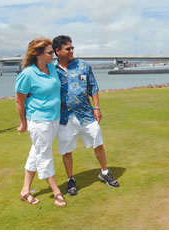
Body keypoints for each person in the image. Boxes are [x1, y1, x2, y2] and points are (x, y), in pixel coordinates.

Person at [52, 35, 120, 196]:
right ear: (57, 51)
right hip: (64, 117)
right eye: (68, 48)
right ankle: (71, 180)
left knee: (98, 143)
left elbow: (93, 87)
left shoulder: (83, 65)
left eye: (72, 47)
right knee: (66, 150)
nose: (72, 50)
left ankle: (104, 173)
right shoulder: (51, 70)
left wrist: (97, 107)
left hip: (87, 115)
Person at [15, 37, 66, 207]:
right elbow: (19, 101)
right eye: (50, 52)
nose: (54, 55)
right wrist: (23, 124)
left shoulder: (51, 67)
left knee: (35, 153)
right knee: (45, 156)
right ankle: (56, 192)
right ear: (38, 54)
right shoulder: (27, 74)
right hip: (39, 120)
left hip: (54, 118)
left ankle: (25, 191)